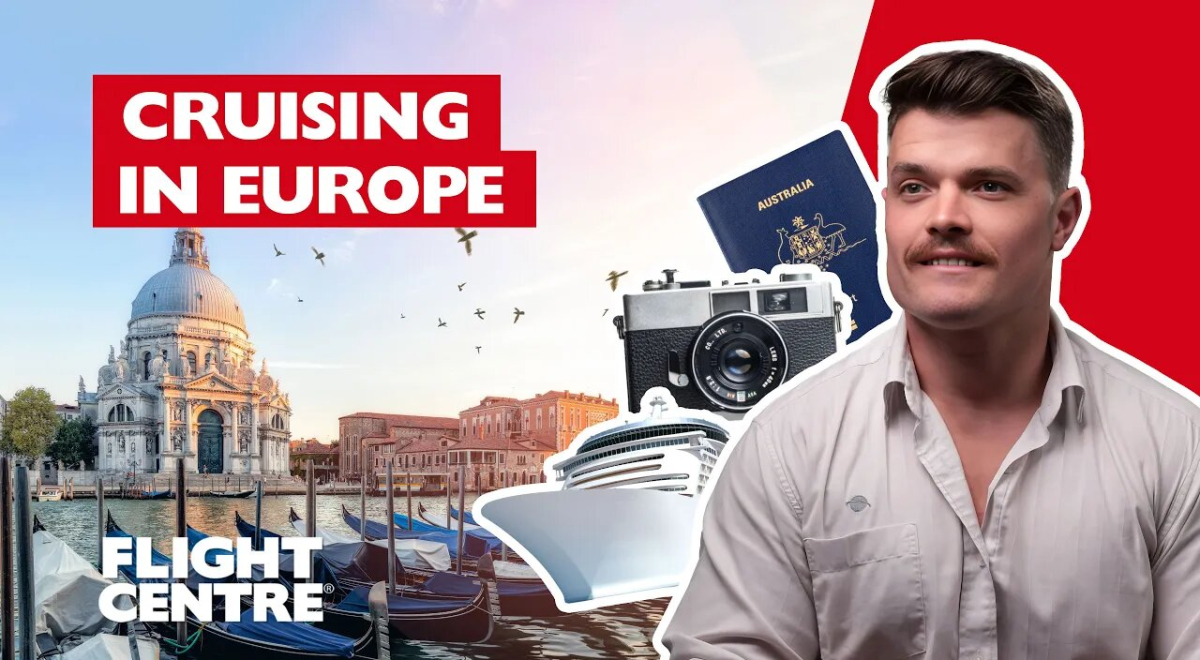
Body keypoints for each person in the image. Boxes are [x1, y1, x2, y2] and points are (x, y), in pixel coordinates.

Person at [659, 45, 1200, 660]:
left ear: (1062, 219)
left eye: (989, 186)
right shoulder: (786, 447)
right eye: (914, 187)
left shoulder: (1179, 448)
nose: (944, 217)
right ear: (884, 210)